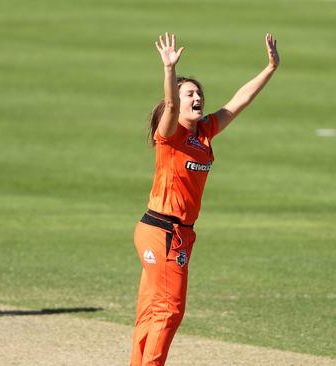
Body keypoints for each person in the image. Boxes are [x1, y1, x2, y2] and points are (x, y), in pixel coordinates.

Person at [130, 32, 279, 365]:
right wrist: (169, 70)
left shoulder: (205, 132)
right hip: (162, 231)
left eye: (199, 93)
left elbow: (238, 102)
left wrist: (269, 68)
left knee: (153, 309)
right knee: (169, 310)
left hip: (178, 234)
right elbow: (169, 104)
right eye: (189, 94)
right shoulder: (171, 134)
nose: (197, 97)